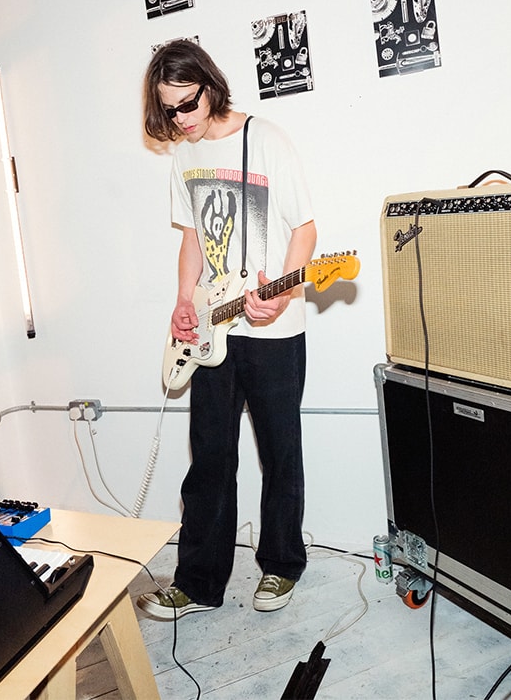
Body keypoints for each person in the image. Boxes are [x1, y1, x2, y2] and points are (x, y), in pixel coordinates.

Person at [137, 39, 317, 619]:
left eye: (187, 105)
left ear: (211, 87)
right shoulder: (184, 155)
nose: (180, 119)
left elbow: (306, 229)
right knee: (210, 458)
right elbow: (192, 237)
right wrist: (182, 299)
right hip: (212, 330)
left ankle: (282, 565)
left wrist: (282, 294)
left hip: (273, 333)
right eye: (168, 110)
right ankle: (198, 583)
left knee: (280, 455)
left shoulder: (266, 140)